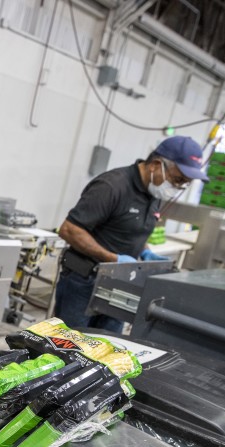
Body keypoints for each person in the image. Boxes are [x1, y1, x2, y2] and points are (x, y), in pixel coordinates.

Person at [54, 135, 209, 333]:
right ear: (155, 165)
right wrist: (114, 258)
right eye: (177, 179)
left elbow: (131, 231)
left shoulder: (154, 193)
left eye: (184, 184)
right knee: (69, 344)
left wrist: (145, 252)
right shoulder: (112, 186)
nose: (177, 187)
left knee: (108, 346)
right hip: (84, 281)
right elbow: (69, 230)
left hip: (120, 284)